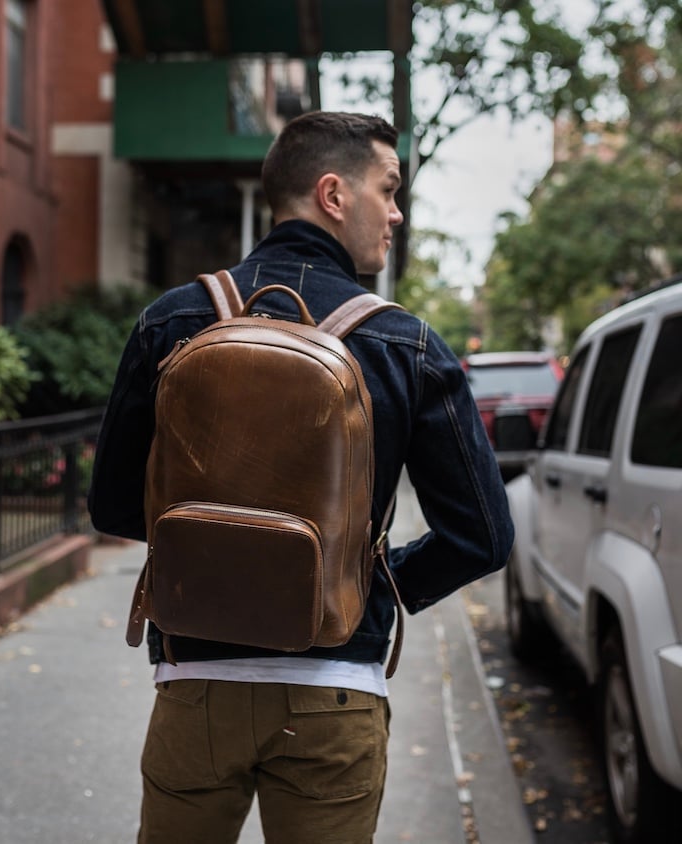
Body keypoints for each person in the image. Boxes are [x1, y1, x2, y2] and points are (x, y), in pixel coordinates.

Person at [88, 111, 514, 844]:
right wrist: (367, 580)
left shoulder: (173, 319)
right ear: (333, 194)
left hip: (195, 689)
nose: (397, 212)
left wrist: (218, 563)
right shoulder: (404, 343)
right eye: (388, 189)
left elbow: (115, 505)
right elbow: (481, 535)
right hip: (335, 693)